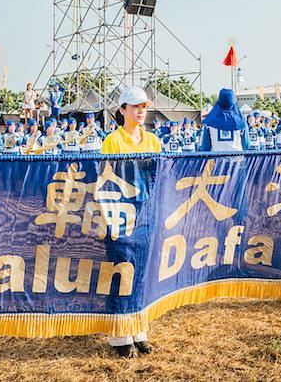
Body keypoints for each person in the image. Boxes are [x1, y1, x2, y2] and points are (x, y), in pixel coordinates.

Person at [101, 86, 160, 357]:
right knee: (121, 269)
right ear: (122, 109)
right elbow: (106, 180)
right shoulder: (112, 141)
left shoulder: (153, 141)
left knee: (142, 271)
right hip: (121, 213)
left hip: (146, 213)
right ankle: (119, 335)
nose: (140, 111)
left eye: (144, 107)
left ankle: (139, 330)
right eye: (135, 106)